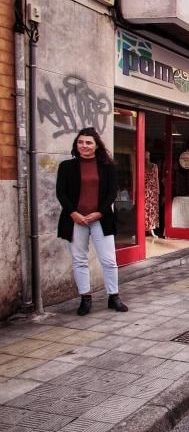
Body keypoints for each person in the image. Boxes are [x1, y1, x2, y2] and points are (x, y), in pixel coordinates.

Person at [56, 127, 128, 316]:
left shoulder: (108, 166)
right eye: (81, 142)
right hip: (75, 220)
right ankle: (85, 299)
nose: (84, 145)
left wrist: (99, 212)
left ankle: (114, 297)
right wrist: (73, 214)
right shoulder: (66, 167)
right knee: (79, 260)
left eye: (89, 142)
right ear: (76, 144)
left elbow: (112, 192)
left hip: (101, 219)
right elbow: (60, 193)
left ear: (96, 146)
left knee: (109, 260)